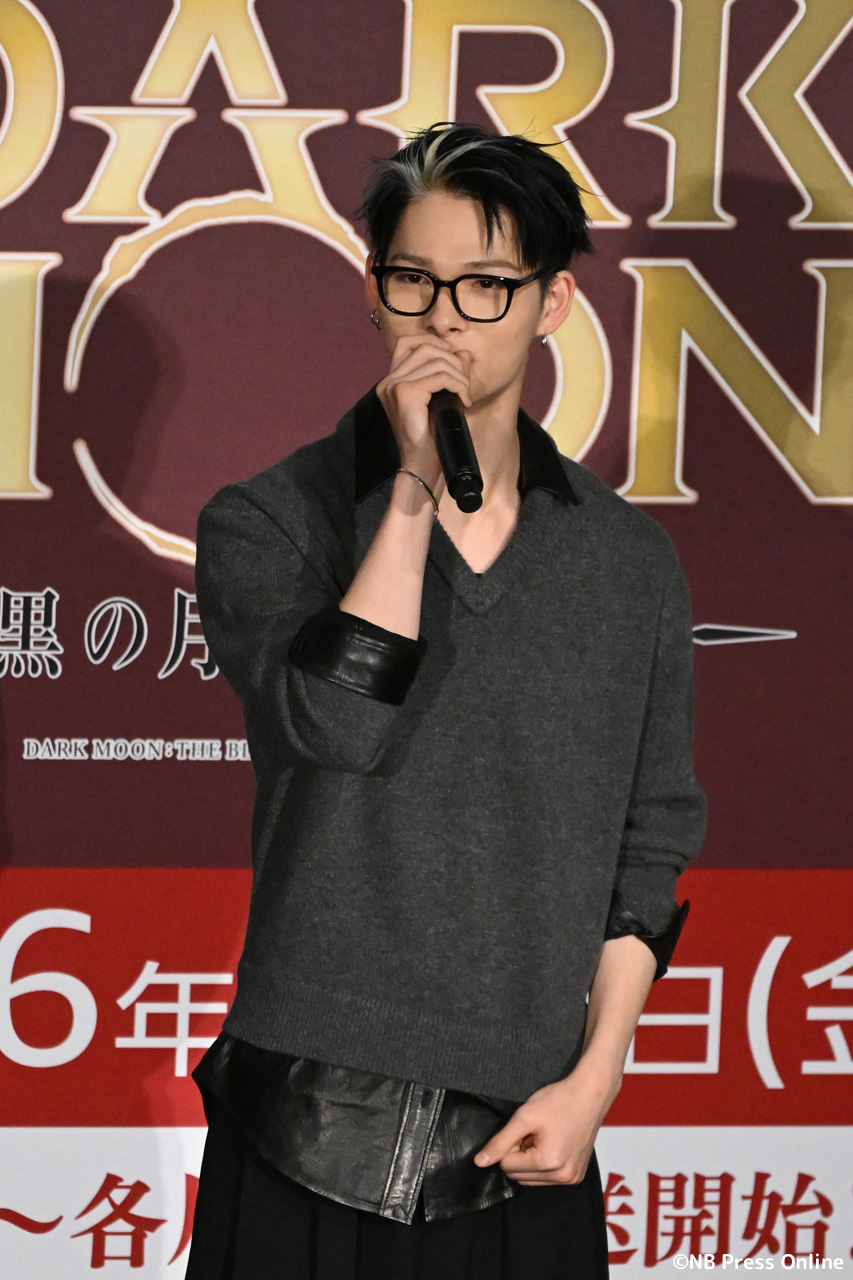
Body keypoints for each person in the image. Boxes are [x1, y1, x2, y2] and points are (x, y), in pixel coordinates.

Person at [185, 121, 708, 1279]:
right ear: (372, 290)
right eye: (412, 280)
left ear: (551, 302)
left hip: (526, 1135)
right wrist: (411, 489)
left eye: (484, 286)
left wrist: (595, 1077)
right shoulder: (270, 520)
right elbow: (338, 722)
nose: (443, 319)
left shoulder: (626, 563)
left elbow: (651, 837)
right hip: (304, 1126)